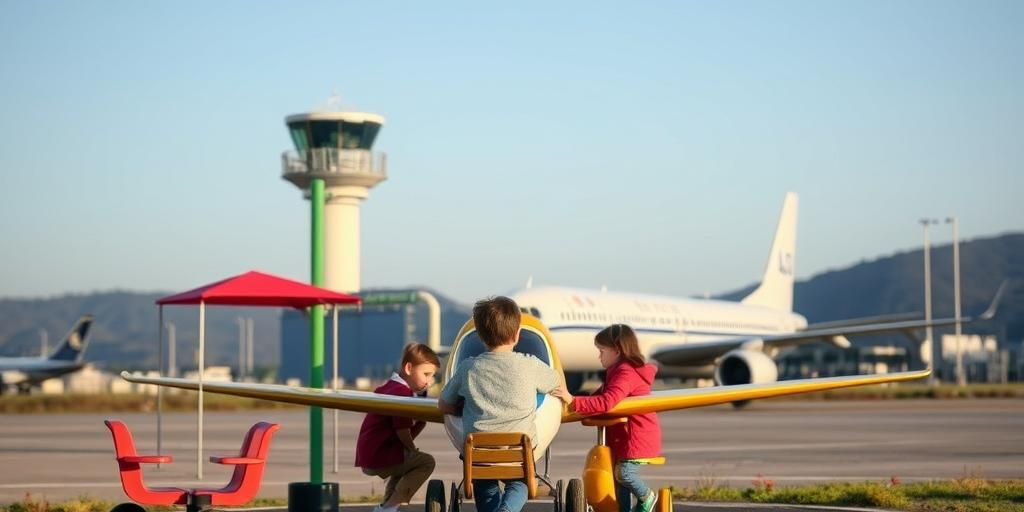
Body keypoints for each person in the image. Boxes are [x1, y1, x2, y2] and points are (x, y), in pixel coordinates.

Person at [439, 296, 567, 512]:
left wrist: (456, 407)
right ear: (517, 334)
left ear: (480, 336)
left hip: (478, 453)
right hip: (519, 452)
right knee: (520, 484)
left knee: (484, 486)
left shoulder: (468, 368)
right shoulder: (530, 365)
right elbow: (555, 381)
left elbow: (443, 404)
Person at [552, 324, 662, 512]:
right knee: (618, 482)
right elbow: (600, 394)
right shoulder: (616, 371)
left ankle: (647, 496)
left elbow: (606, 402)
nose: (599, 356)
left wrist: (573, 401)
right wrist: (573, 402)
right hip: (624, 437)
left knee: (623, 474)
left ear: (617, 350)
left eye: (602, 351)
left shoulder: (626, 373)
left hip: (635, 436)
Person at [355, 343, 441, 512]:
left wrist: (421, 421)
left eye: (432, 376)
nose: (429, 381)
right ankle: (389, 507)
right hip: (380, 455)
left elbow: (404, 429)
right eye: (426, 374)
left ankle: (386, 507)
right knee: (425, 462)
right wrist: (412, 449)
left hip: (370, 454)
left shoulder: (388, 387)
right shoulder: (402, 394)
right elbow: (402, 431)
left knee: (406, 464)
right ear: (409, 368)